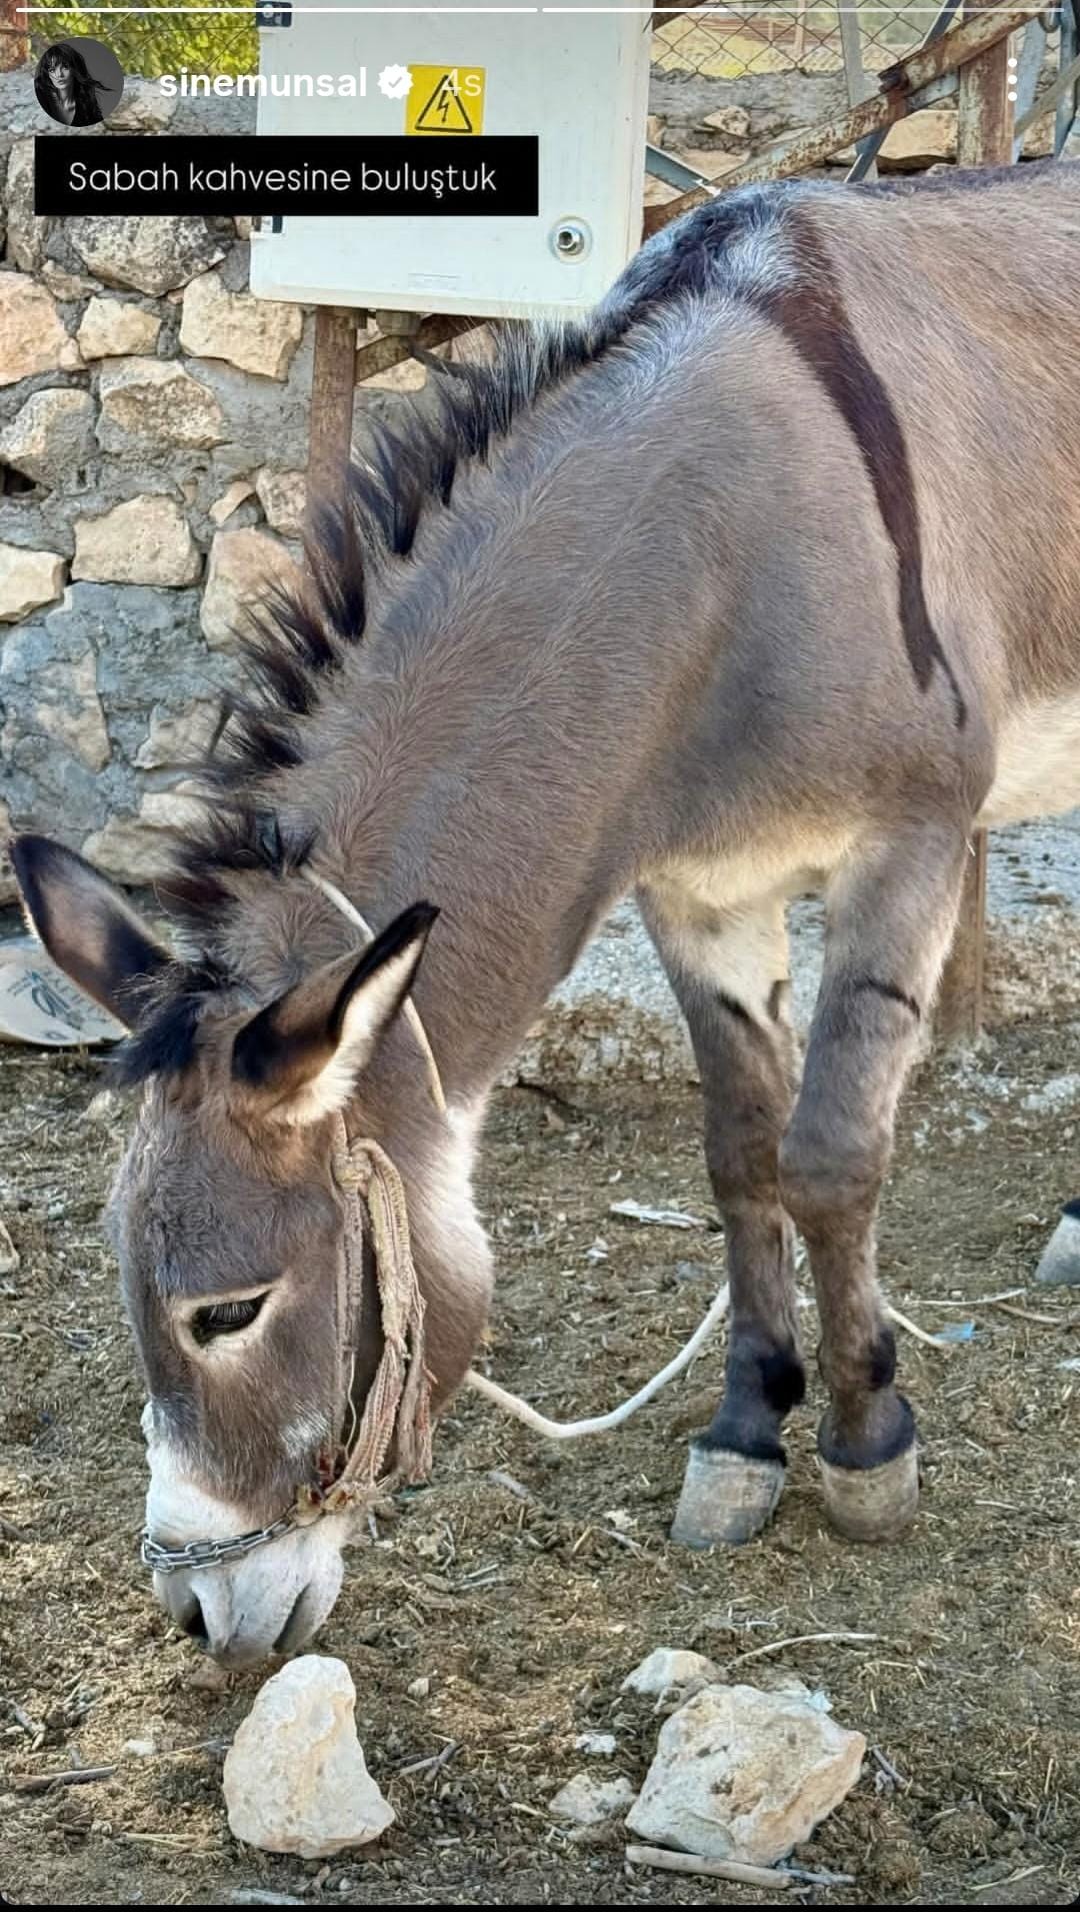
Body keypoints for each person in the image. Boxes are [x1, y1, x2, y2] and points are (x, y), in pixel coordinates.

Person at [35, 42, 110, 127]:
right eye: (52, 70)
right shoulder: (38, 100)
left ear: (75, 69)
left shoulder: (87, 106)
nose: (59, 74)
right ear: (47, 74)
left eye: (65, 67)